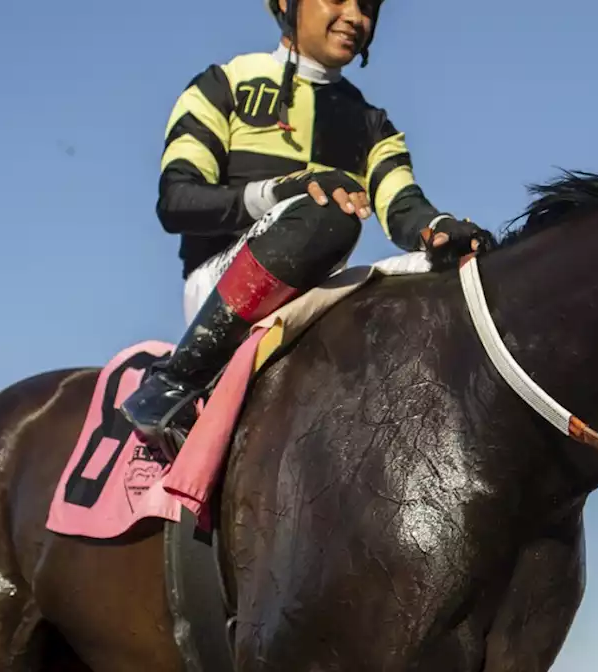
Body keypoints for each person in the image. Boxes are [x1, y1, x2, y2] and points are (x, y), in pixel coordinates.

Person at [119, 0, 495, 454]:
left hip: (319, 288)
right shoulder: (222, 84)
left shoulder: (375, 125)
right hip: (223, 284)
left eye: (368, 6)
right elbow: (177, 200)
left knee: (463, 268)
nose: (355, 17)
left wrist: (440, 229)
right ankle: (175, 382)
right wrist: (284, 190)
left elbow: (403, 206)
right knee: (327, 215)